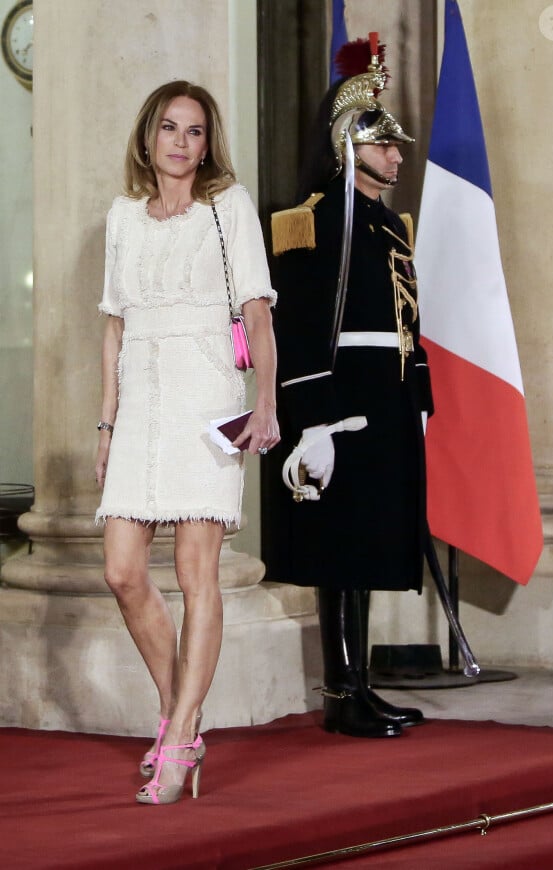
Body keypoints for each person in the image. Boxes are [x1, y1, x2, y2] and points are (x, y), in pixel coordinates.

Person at [95, 80, 279, 804]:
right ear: (149, 137)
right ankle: (180, 715)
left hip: (207, 396)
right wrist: (106, 424)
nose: (179, 141)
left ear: (208, 143)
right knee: (121, 571)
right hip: (140, 399)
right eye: (168, 128)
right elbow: (112, 325)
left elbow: (258, 315)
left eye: (194, 131)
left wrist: (265, 399)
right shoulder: (121, 218)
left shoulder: (226, 207)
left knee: (196, 569)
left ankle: (179, 737)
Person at [267, 38, 434, 738]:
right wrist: (314, 421)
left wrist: (417, 396)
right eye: (385, 144)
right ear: (349, 141)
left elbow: (407, 318)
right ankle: (340, 692)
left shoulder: (389, 227)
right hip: (341, 406)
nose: (397, 157)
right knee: (340, 547)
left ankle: (360, 685)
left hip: (386, 401)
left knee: (372, 545)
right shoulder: (310, 220)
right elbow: (301, 327)